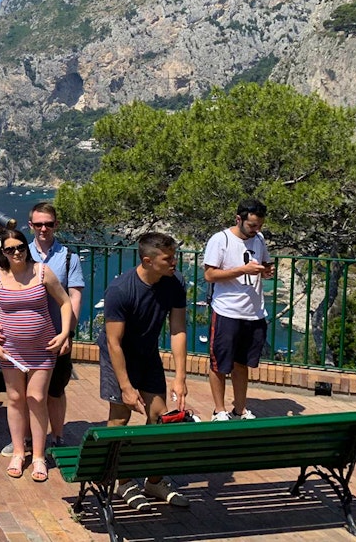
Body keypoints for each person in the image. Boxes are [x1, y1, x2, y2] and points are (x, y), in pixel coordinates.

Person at [98, 233, 189, 511]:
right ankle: (123, 481)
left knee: (160, 417)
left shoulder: (175, 283)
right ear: (148, 261)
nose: (174, 262)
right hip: (119, 355)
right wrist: (126, 387)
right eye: (168, 259)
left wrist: (180, 377)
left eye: (174, 256)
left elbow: (178, 329)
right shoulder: (121, 290)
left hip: (147, 354)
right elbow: (114, 342)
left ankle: (154, 480)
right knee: (120, 417)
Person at [0, 229, 72, 482]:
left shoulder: (42, 271)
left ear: (25, 246)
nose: (16, 252)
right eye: (10, 249)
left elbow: (64, 302)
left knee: (36, 396)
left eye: (20, 247)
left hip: (42, 347)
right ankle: (19, 452)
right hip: (10, 350)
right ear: (3, 253)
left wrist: (64, 334)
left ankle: (39, 456)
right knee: (15, 397)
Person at [0, 203, 84, 457]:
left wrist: (67, 333)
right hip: (21, 341)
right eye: (38, 224)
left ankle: (57, 437)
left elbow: (74, 296)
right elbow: (0, 292)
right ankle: (24, 439)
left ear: (56, 224)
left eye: (48, 223)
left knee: (55, 390)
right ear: (30, 226)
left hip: (56, 337)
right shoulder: (18, 251)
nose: (44, 228)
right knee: (23, 394)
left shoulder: (69, 257)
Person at [203, 199, 274, 421]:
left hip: (253, 313)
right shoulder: (220, 240)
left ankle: (240, 409)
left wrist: (266, 271)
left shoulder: (259, 239)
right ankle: (219, 410)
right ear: (239, 219)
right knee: (219, 364)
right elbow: (210, 275)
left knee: (242, 364)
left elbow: (264, 264)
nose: (256, 230)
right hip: (227, 312)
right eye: (252, 225)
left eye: (259, 226)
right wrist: (242, 269)